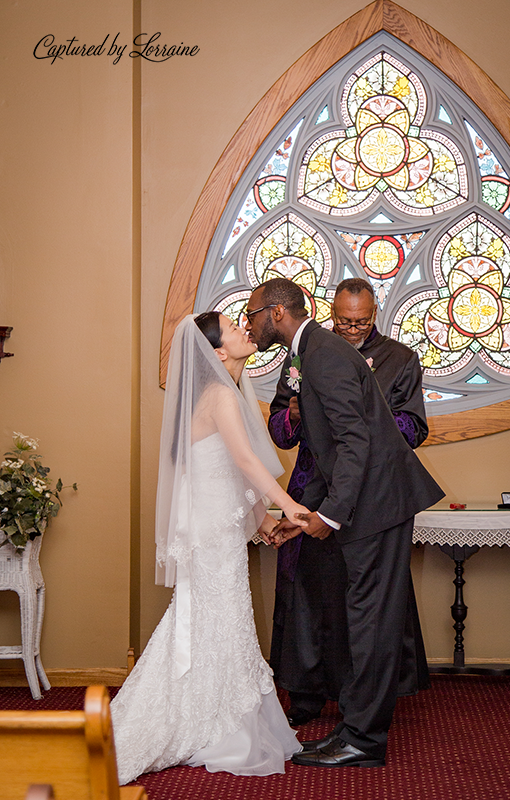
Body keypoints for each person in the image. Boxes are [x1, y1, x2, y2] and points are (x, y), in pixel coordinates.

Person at [245, 278, 444, 768]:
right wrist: (305, 514)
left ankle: (363, 741)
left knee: (370, 623)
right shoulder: (314, 350)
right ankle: (353, 731)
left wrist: (329, 515)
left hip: (376, 504)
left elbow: (356, 442)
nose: (248, 324)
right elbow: (327, 445)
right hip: (365, 500)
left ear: (275, 313)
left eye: (251, 314)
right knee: (361, 620)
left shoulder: (322, 354)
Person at [111, 312, 309, 782]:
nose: (245, 329)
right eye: (234, 328)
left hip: (216, 527)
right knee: (216, 616)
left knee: (214, 619)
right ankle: (203, 720)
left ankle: (210, 713)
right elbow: (242, 458)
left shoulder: (223, 392)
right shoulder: (219, 394)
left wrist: (263, 518)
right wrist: (289, 504)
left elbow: (227, 469)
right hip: (211, 533)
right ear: (217, 352)